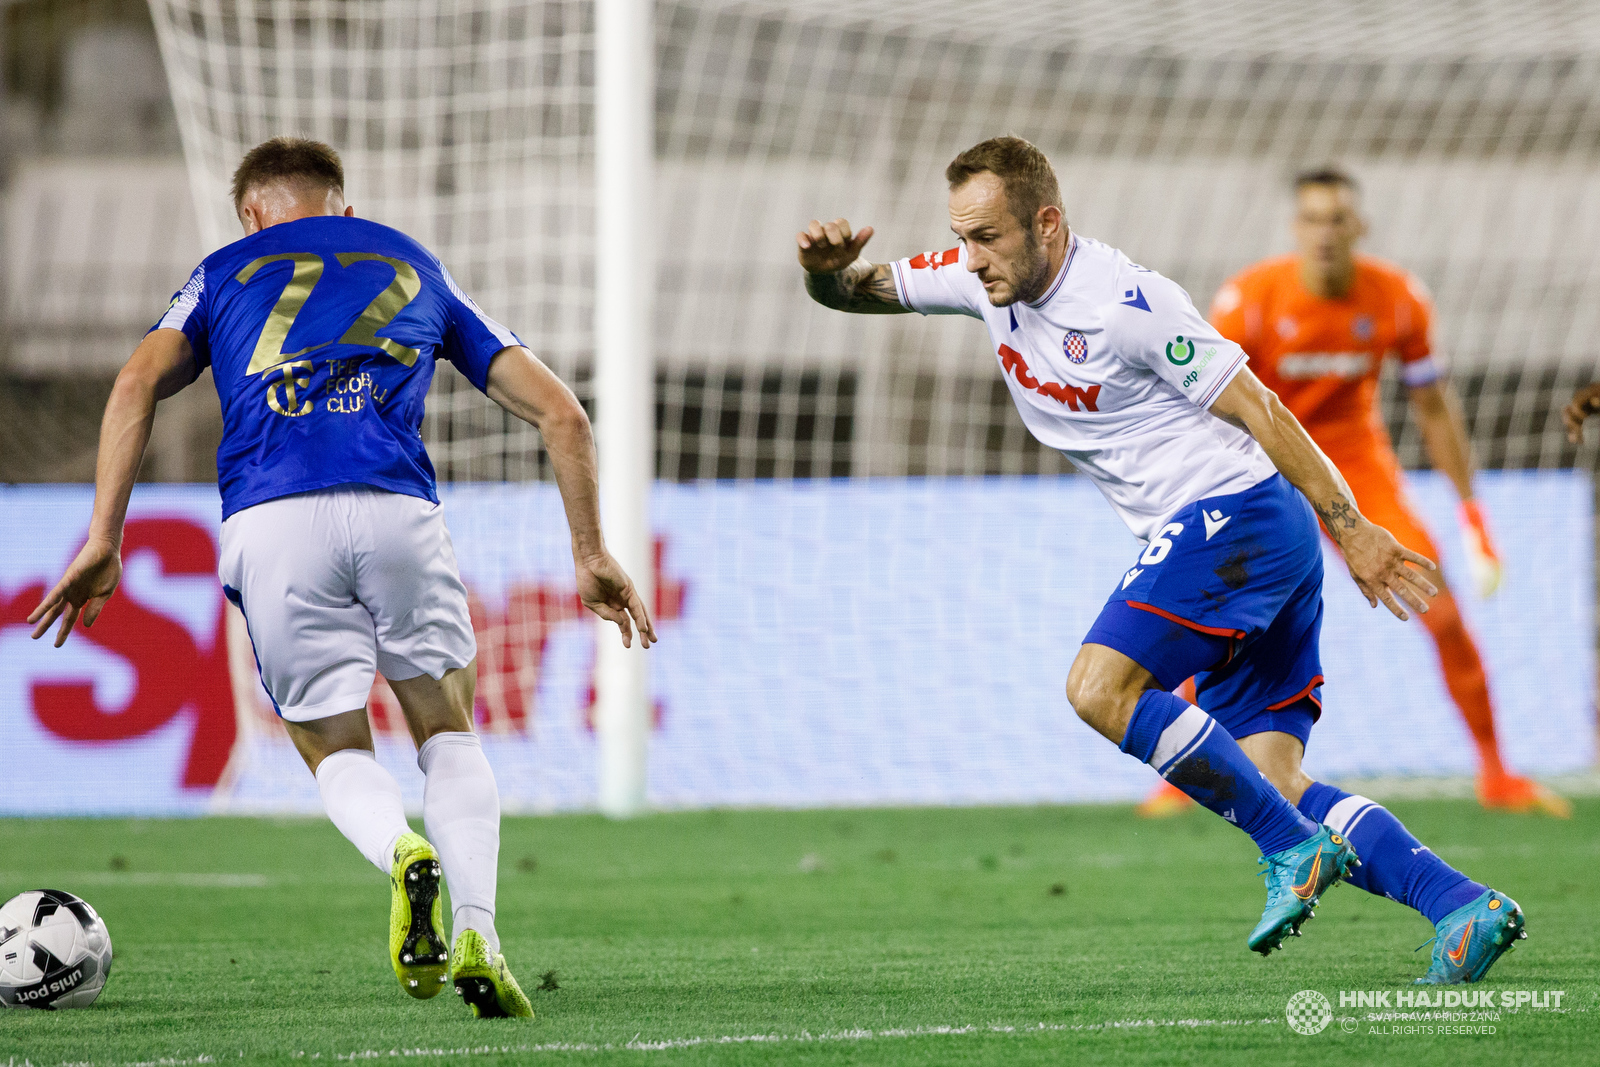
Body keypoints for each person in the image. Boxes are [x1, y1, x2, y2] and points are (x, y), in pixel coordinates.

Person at [797, 136, 1525, 982]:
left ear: (1047, 222)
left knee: (1098, 687)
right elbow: (855, 292)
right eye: (961, 235)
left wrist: (1354, 525)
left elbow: (1258, 404)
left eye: (989, 235)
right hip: (1252, 538)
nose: (971, 256)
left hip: (1236, 516)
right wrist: (823, 270)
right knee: (1274, 780)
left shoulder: (1127, 303)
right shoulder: (974, 277)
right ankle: (1462, 907)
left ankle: (1294, 852)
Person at [27, 137, 656, 1017]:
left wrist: (104, 533)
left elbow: (135, 382)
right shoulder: (410, 260)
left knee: (331, 746)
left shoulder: (222, 269)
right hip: (399, 512)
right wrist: (590, 552)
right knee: (447, 727)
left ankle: (404, 855)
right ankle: (479, 929)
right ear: (343, 208)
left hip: (273, 519)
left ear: (253, 214)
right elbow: (563, 411)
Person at [1139, 167, 1566, 819]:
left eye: (1338, 218)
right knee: (1217, 615)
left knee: (1442, 608)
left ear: (1358, 226)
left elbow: (1432, 405)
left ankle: (1496, 772)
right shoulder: (1249, 300)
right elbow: (1212, 405)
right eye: (1312, 218)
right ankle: (1180, 777)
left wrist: (1471, 509)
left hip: (1358, 474)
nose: (1326, 232)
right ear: (1296, 228)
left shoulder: (1397, 299)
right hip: (1263, 470)